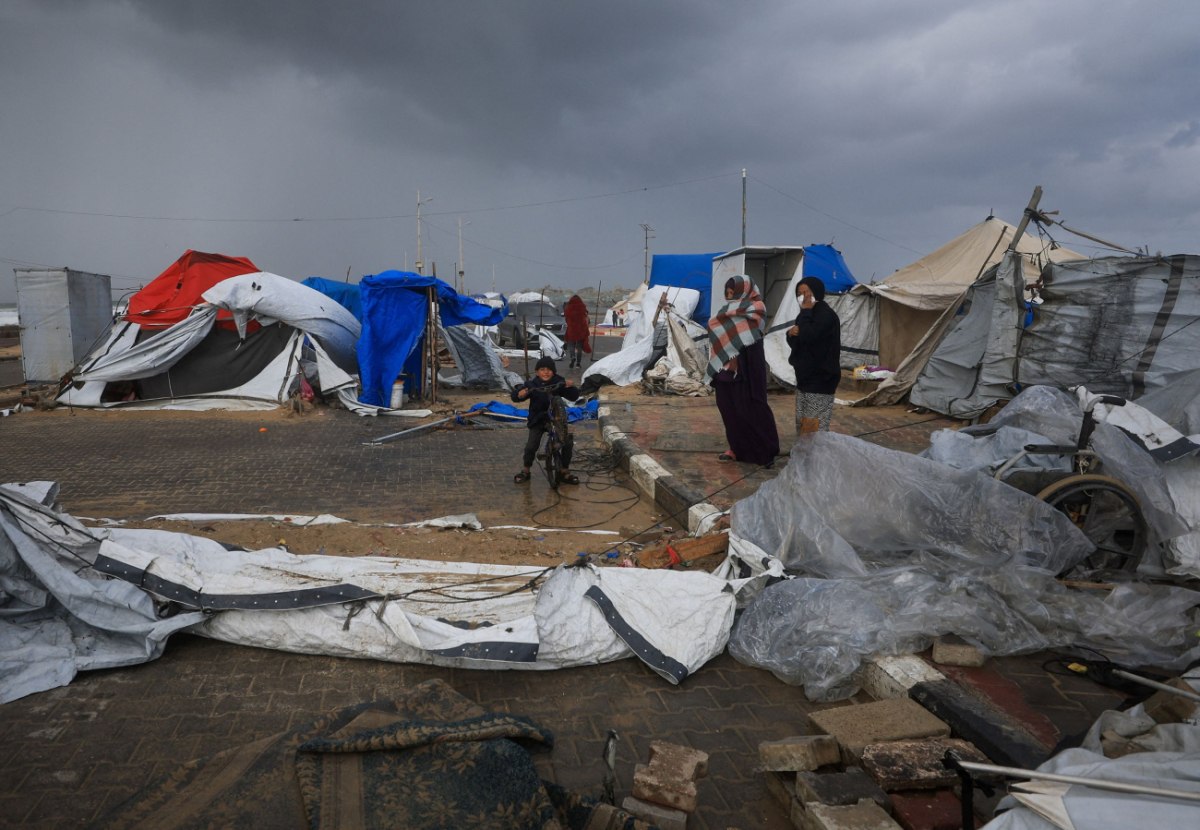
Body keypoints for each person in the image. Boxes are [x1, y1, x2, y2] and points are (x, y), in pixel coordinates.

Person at [705, 275, 780, 466]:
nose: (730, 297)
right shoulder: (724, 313)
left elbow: (750, 334)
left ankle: (765, 451)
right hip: (726, 368)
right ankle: (736, 449)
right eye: (728, 294)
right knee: (729, 410)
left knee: (752, 409)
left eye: (734, 293)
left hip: (747, 367)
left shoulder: (756, 308)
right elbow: (715, 329)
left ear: (744, 291)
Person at [511, 356, 582, 484]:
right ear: (537, 372)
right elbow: (516, 397)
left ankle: (564, 471)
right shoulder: (532, 385)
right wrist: (520, 393)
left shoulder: (558, 382)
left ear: (553, 371)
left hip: (556, 420)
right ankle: (526, 471)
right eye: (542, 369)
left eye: (549, 369)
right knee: (531, 446)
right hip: (537, 420)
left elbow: (574, 396)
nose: (546, 372)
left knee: (567, 442)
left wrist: (570, 387)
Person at [786, 276, 841, 433]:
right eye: (799, 293)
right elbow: (798, 343)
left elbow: (810, 336)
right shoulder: (805, 314)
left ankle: (815, 456)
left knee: (814, 425)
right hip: (805, 377)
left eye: (807, 292)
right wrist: (790, 334)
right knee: (803, 421)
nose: (803, 296)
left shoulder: (825, 315)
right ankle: (804, 454)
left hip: (821, 378)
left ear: (816, 292)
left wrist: (806, 313)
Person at [563, 295, 591, 369]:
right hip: (581, 330)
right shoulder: (582, 307)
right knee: (579, 347)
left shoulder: (568, 307)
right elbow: (586, 316)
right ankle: (578, 364)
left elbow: (566, 318)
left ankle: (572, 357)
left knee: (571, 345)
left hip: (571, 329)